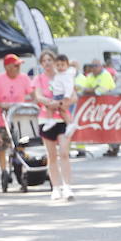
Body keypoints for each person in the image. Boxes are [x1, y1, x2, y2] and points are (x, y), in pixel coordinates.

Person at [32, 52, 76, 201]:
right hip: (46, 118)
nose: (47, 63)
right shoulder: (39, 79)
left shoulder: (63, 75)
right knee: (52, 155)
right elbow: (38, 96)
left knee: (64, 152)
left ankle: (67, 186)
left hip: (62, 118)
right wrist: (49, 103)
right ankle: (55, 187)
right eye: (44, 61)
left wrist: (62, 103)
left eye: (50, 60)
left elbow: (74, 96)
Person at [0, 53, 32, 181]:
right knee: (2, 147)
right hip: (2, 119)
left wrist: (33, 105)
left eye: (19, 65)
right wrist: (3, 104)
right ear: (8, 67)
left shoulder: (24, 78)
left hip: (19, 119)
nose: (18, 67)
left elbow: (32, 95)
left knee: (21, 145)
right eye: (16, 65)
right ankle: (4, 171)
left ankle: (20, 167)